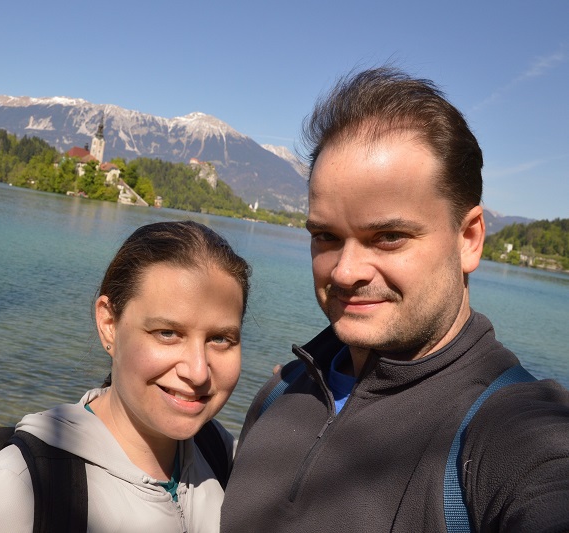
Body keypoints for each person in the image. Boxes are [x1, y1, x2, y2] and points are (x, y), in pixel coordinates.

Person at [221, 67, 569, 532]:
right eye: (325, 235)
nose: (345, 272)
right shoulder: (282, 391)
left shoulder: (510, 432)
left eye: (388, 236)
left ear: (468, 239)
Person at [0, 220, 250, 532]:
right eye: (168, 333)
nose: (197, 372)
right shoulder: (18, 491)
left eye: (220, 339)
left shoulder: (222, 456)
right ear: (108, 323)